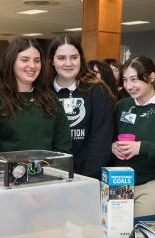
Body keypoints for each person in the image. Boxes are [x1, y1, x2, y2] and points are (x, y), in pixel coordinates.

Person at [0, 36, 71, 154]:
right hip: (5, 172)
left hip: (49, 171)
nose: (32, 66)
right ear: (11, 62)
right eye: (25, 60)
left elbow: (63, 146)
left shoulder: (51, 100)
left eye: (37, 60)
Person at [111, 55, 155, 217]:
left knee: (140, 232)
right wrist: (112, 146)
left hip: (151, 184)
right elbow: (109, 137)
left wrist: (142, 147)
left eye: (134, 79)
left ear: (151, 77)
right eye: (125, 80)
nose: (129, 86)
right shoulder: (122, 106)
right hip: (119, 183)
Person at [46, 34, 114, 179]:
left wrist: (84, 180)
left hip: (87, 177)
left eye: (74, 57)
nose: (68, 63)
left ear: (81, 59)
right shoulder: (43, 92)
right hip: (48, 177)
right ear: (52, 60)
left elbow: (101, 141)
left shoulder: (97, 90)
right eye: (61, 58)